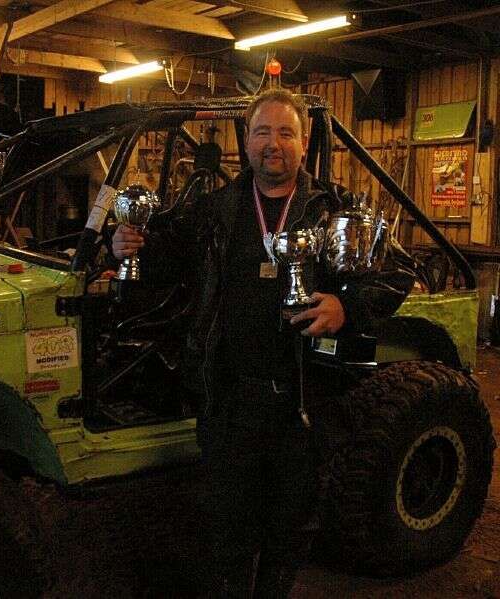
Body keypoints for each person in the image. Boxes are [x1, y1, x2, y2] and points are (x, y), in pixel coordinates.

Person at [111, 89, 414, 597]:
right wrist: (126, 245)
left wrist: (347, 307)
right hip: (228, 402)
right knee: (226, 529)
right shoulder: (214, 210)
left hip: (305, 405)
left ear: (304, 142)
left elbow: (399, 270)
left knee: (290, 527)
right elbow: (164, 260)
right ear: (246, 142)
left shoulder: (334, 209)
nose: (273, 143)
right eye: (262, 132)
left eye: (285, 132)